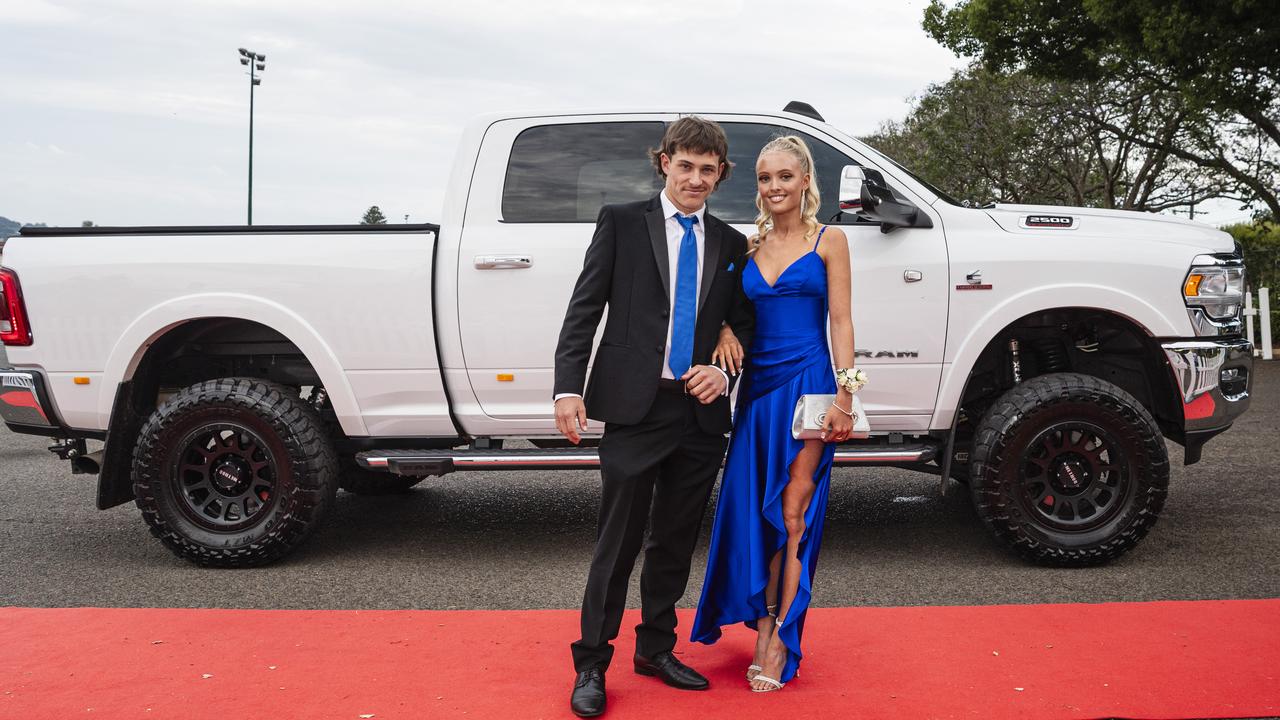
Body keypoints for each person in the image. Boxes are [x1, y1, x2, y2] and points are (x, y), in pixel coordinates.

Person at [553, 116, 755, 718]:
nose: (695, 178)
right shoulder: (621, 222)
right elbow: (584, 307)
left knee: (673, 541)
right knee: (616, 545)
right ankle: (592, 661)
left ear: (721, 176)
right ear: (663, 162)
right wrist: (568, 388)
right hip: (633, 409)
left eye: (707, 170)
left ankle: (656, 650)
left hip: (699, 414)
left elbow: (742, 325)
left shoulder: (730, 243)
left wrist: (724, 373)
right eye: (685, 165)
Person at [690, 135, 856, 692]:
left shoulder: (830, 241)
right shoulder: (749, 246)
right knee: (751, 521)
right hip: (758, 397)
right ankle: (759, 630)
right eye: (764, 178)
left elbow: (841, 322)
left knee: (792, 514)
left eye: (785, 176)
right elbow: (722, 309)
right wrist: (725, 329)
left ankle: (780, 641)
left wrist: (845, 395)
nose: (774, 187)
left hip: (810, 389)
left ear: (806, 180)